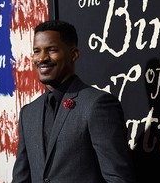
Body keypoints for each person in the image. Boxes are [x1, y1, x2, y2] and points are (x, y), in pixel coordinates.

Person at [12, 20, 136, 183]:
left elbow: (118, 179)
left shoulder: (97, 105)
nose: (42, 58)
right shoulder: (28, 113)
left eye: (52, 50)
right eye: (37, 51)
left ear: (74, 54)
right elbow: (21, 179)